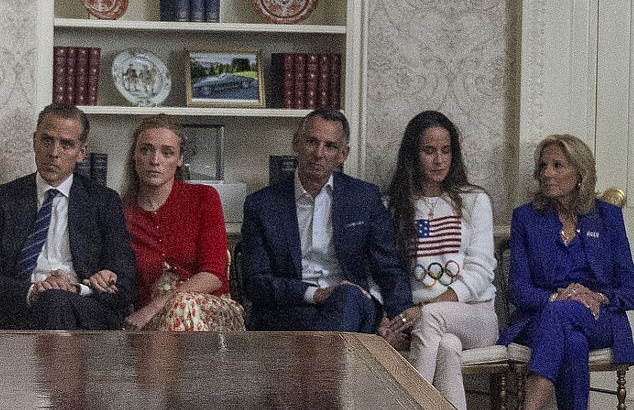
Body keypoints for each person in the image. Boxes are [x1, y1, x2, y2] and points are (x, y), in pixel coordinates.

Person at [495, 134, 634, 410]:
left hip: (600, 317)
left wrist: (597, 295)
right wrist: (559, 296)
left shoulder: (608, 217)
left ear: (580, 172)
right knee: (567, 335)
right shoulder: (527, 218)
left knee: (566, 317)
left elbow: (630, 287)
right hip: (545, 317)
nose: (547, 174)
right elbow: (519, 289)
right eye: (543, 165)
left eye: (557, 165)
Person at [382, 111, 498, 410]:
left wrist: (426, 308)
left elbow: (481, 271)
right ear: (413, 155)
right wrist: (394, 316)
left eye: (446, 150)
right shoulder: (395, 204)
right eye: (429, 150)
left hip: (476, 315)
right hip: (429, 328)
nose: (438, 160)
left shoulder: (473, 200)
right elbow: (382, 271)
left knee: (434, 320)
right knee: (446, 349)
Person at [241, 107, 414, 333]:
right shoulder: (262, 205)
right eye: (312, 142)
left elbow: (388, 268)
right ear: (296, 143)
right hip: (290, 307)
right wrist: (316, 294)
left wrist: (399, 323)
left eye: (330, 146)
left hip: (353, 304)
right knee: (328, 312)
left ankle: (321, 367)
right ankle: (329, 368)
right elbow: (256, 282)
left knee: (347, 297)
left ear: (343, 154)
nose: (319, 153)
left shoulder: (364, 198)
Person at [0, 103, 135, 329]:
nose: (54, 153)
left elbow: (126, 283)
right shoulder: (5, 199)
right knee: (50, 300)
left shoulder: (103, 201)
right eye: (47, 140)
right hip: (19, 304)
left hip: (82, 308)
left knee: (56, 301)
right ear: (34, 141)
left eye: (66, 144)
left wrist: (81, 287)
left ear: (81, 153)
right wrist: (32, 290)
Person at [122, 114, 244, 331]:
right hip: (151, 323)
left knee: (182, 304)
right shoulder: (122, 213)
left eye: (167, 152)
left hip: (210, 312)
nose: (155, 160)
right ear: (134, 154)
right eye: (146, 150)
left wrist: (159, 305)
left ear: (179, 159)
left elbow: (214, 274)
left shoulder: (203, 197)